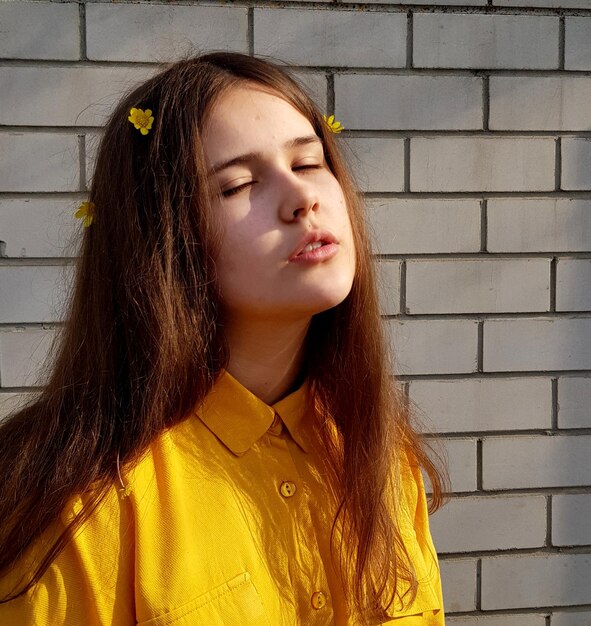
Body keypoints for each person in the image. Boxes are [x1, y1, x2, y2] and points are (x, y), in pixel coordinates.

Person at [0, 52, 446, 625]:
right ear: (162, 238)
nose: (302, 199)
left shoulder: (378, 453)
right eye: (238, 185)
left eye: (309, 163)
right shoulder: (78, 500)